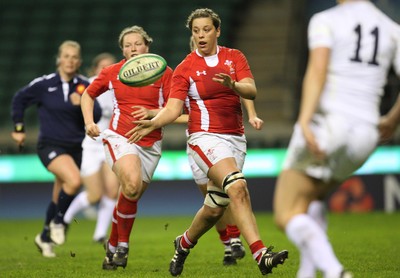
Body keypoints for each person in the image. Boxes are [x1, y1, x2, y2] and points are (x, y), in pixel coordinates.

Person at [127, 8, 288, 276]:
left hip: (235, 138)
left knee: (214, 208)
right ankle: (261, 254)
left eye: (206, 29)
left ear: (217, 31)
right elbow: (174, 108)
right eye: (196, 31)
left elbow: (252, 89)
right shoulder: (185, 68)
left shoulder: (234, 57)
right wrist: (155, 122)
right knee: (238, 187)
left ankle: (183, 243)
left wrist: (234, 85)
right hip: (204, 137)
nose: (201, 35)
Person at [273, 1, 400, 277]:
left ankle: (334, 271)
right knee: (311, 198)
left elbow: (318, 70)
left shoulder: (325, 19)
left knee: (285, 213)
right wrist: (392, 118)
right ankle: (307, 272)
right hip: (366, 135)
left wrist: (305, 119)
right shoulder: (392, 28)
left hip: (329, 125)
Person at [80, 25, 174, 270]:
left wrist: (154, 114)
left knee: (130, 195)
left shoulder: (165, 73)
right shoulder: (112, 72)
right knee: (131, 184)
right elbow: (87, 95)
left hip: (151, 144)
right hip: (120, 137)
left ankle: (111, 247)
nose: (133, 48)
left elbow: (179, 109)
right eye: (128, 45)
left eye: (138, 44)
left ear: (147, 46)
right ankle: (123, 245)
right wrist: (89, 122)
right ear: (122, 50)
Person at [11, 40, 101, 257]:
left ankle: (43, 237)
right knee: (74, 181)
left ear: (79, 62)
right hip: (50, 145)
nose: (70, 61)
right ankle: (59, 222)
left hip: (76, 148)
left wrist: (82, 103)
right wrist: (19, 128)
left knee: (59, 194)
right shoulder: (44, 84)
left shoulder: (84, 85)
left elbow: (96, 114)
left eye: (74, 57)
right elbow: (19, 100)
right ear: (59, 59)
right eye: (66, 56)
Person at [63, 53, 119, 244]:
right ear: (95, 69)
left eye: (110, 66)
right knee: (94, 195)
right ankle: (64, 219)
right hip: (91, 145)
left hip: (111, 143)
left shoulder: (121, 86)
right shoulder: (86, 86)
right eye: (102, 67)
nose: (106, 70)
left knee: (112, 191)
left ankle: (100, 233)